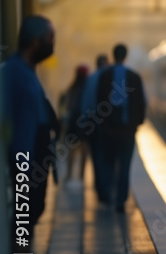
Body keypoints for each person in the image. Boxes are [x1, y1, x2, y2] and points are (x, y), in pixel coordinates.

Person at [0, 16, 61, 254]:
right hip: (24, 160)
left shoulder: (25, 70)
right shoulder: (13, 72)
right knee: (23, 220)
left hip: (34, 158)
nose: (52, 45)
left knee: (29, 216)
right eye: (50, 39)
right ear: (36, 41)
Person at [95, 44, 146, 212]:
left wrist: (102, 124)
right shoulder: (134, 77)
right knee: (124, 166)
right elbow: (140, 103)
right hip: (127, 131)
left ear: (113, 55)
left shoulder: (104, 76)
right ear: (125, 56)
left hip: (108, 131)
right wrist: (136, 123)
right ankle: (121, 200)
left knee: (108, 163)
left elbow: (98, 102)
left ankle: (108, 194)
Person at [80, 54, 110, 202]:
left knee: (97, 158)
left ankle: (100, 189)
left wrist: (85, 121)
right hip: (108, 124)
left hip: (93, 123)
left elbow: (86, 103)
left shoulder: (91, 79)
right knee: (107, 158)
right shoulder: (110, 78)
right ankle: (106, 189)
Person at [58, 64, 89, 181]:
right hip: (86, 122)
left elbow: (66, 106)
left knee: (71, 149)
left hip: (73, 122)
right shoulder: (87, 88)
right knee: (84, 150)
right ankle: (81, 175)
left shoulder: (71, 89)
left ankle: (70, 174)